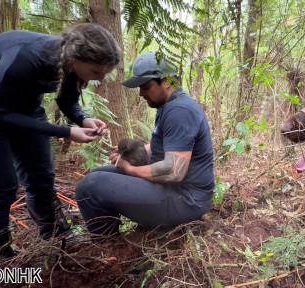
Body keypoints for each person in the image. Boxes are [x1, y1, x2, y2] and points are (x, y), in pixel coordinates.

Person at [0, 23, 121, 259]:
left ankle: (57, 235)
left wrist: (83, 119)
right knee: (2, 185)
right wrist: (66, 131)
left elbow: (67, 100)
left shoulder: (68, 63)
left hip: (25, 107)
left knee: (41, 175)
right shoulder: (26, 57)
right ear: (78, 58)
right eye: (97, 72)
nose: (100, 78)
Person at [75, 52, 214, 237]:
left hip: (186, 200)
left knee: (89, 186)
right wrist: (131, 153)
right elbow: (162, 147)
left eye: (146, 87)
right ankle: (110, 238)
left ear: (166, 81)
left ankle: (107, 247)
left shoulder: (180, 111)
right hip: (174, 192)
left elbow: (174, 171)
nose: (141, 93)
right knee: (96, 174)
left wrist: (130, 169)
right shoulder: (169, 104)